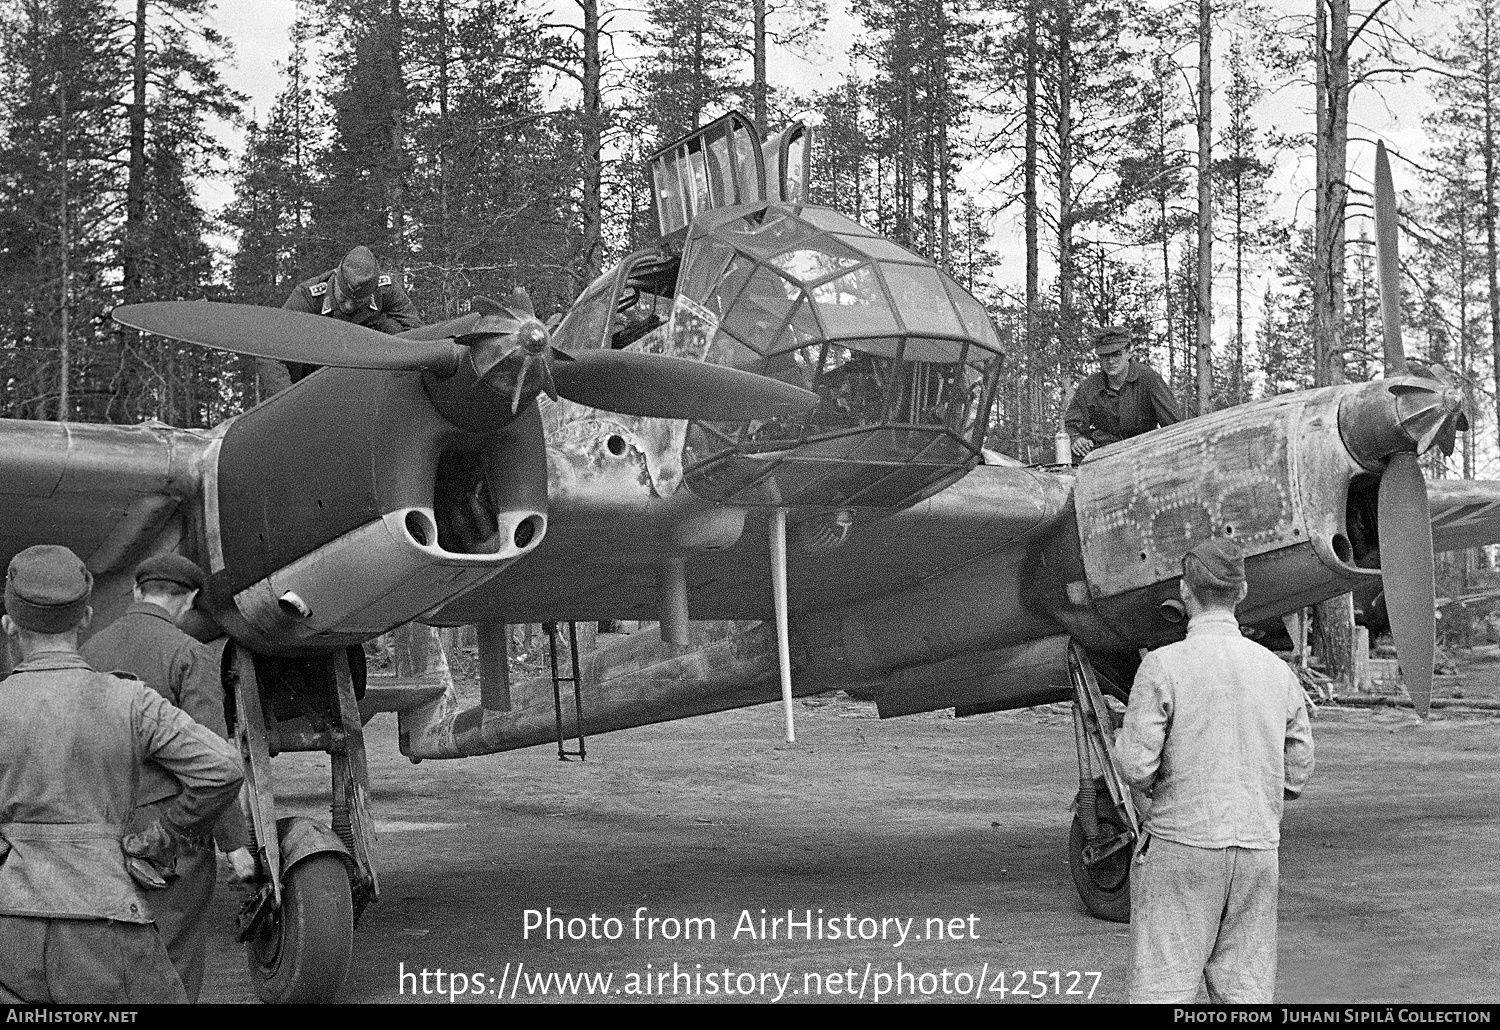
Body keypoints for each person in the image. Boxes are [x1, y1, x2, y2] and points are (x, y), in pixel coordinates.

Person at [0, 544, 244, 1004]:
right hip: (108, 901)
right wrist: (168, 835)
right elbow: (223, 766)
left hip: (10, 914)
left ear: (9, 625)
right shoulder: (130, 698)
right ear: (85, 616)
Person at [1114, 537, 1315, 1004]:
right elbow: (1299, 769)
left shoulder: (1162, 667)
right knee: (1245, 990)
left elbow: (1133, 763)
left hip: (1181, 845)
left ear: (1185, 593)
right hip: (1258, 850)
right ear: (1242, 592)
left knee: (1162, 988)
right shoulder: (1276, 671)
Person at [79, 553, 256, 1003]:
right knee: (170, 957)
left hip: (95, 824)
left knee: (101, 959)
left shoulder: (89, 652)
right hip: (168, 833)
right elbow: (213, 759)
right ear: (190, 600)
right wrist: (235, 846)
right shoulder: (188, 653)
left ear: (137, 592)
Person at [257, 244, 423, 395]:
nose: (349, 306)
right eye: (343, 298)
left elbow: (416, 333)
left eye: (358, 302)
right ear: (335, 279)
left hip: (366, 372)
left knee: (395, 330)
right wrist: (287, 401)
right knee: (291, 349)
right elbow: (269, 350)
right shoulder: (308, 297)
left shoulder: (386, 290)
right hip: (315, 374)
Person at [1065, 325, 1182, 460]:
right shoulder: (1089, 386)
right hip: (1103, 454)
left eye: (1116, 354)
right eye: (1105, 356)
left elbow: (1174, 426)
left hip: (1142, 453)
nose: (1110, 361)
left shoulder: (1149, 379)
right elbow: (1071, 425)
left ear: (1128, 352)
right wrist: (1077, 439)